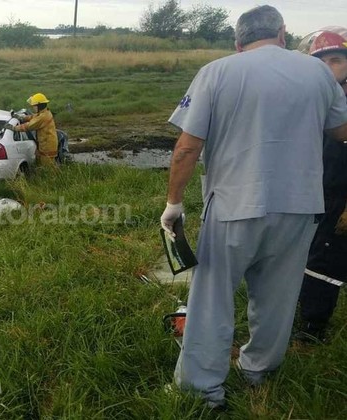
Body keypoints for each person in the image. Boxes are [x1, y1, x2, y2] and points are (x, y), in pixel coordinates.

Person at [159, 5, 347, 409]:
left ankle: (202, 391)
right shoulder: (317, 73)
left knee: (212, 299)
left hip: (233, 205)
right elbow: (341, 130)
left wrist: (173, 204)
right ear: (282, 33)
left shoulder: (217, 72)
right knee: (278, 297)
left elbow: (188, 147)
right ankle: (258, 371)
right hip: (300, 206)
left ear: (237, 41)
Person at [296, 28, 347, 343]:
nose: (328, 68)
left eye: (336, 60)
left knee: (325, 259)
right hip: (313, 191)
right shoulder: (309, 99)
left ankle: (312, 329)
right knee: (309, 253)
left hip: (340, 195)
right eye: (321, 62)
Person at [7, 93, 58, 167]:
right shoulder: (43, 112)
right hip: (45, 143)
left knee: (48, 167)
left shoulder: (43, 117)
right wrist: (21, 117)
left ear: (39, 106)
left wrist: (13, 128)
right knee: (42, 164)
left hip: (47, 146)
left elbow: (29, 126)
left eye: (34, 106)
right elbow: (32, 117)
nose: (33, 107)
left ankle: (50, 174)